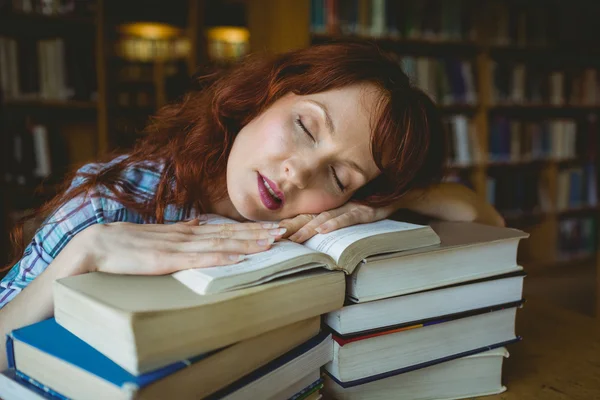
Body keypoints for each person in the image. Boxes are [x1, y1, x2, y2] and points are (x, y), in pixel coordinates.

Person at [0, 41, 503, 369]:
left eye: (337, 174)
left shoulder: (329, 221)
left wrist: (381, 204)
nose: (301, 172)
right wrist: (83, 253)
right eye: (305, 127)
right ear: (265, 97)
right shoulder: (111, 203)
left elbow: (486, 218)